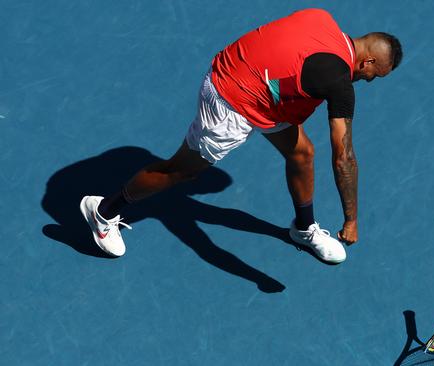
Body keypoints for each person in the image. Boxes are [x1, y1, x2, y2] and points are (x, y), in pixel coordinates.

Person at [80, 8, 402, 264]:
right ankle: (103, 212)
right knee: (181, 172)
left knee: (301, 153)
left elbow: (281, 56)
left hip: (252, 81)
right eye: (375, 75)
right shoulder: (339, 82)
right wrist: (351, 220)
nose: (370, 80)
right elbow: (343, 155)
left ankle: (303, 229)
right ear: (368, 60)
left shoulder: (320, 17)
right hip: (230, 103)